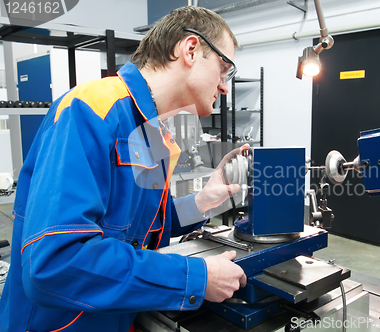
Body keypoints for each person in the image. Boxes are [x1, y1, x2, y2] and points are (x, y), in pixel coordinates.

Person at [0, 6, 248, 332]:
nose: (225, 86)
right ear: (190, 50)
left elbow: (142, 230)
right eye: (224, 67)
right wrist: (195, 277)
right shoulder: (90, 110)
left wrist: (202, 201)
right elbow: (53, 264)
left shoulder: (153, 131)